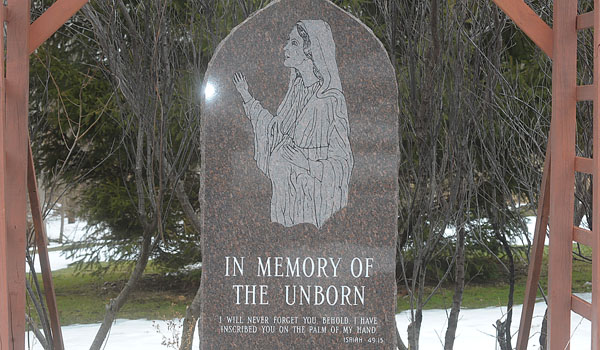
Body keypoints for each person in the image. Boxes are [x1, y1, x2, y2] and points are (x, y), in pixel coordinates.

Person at [233, 20, 353, 229]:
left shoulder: (330, 101)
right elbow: (274, 132)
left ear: (311, 51)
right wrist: (248, 98)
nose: (286, 48)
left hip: (310, 203)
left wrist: (306, 164)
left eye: (294, 43)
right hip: (284, 200)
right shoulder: (296, 92)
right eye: (288, 41)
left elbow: (342, 162)